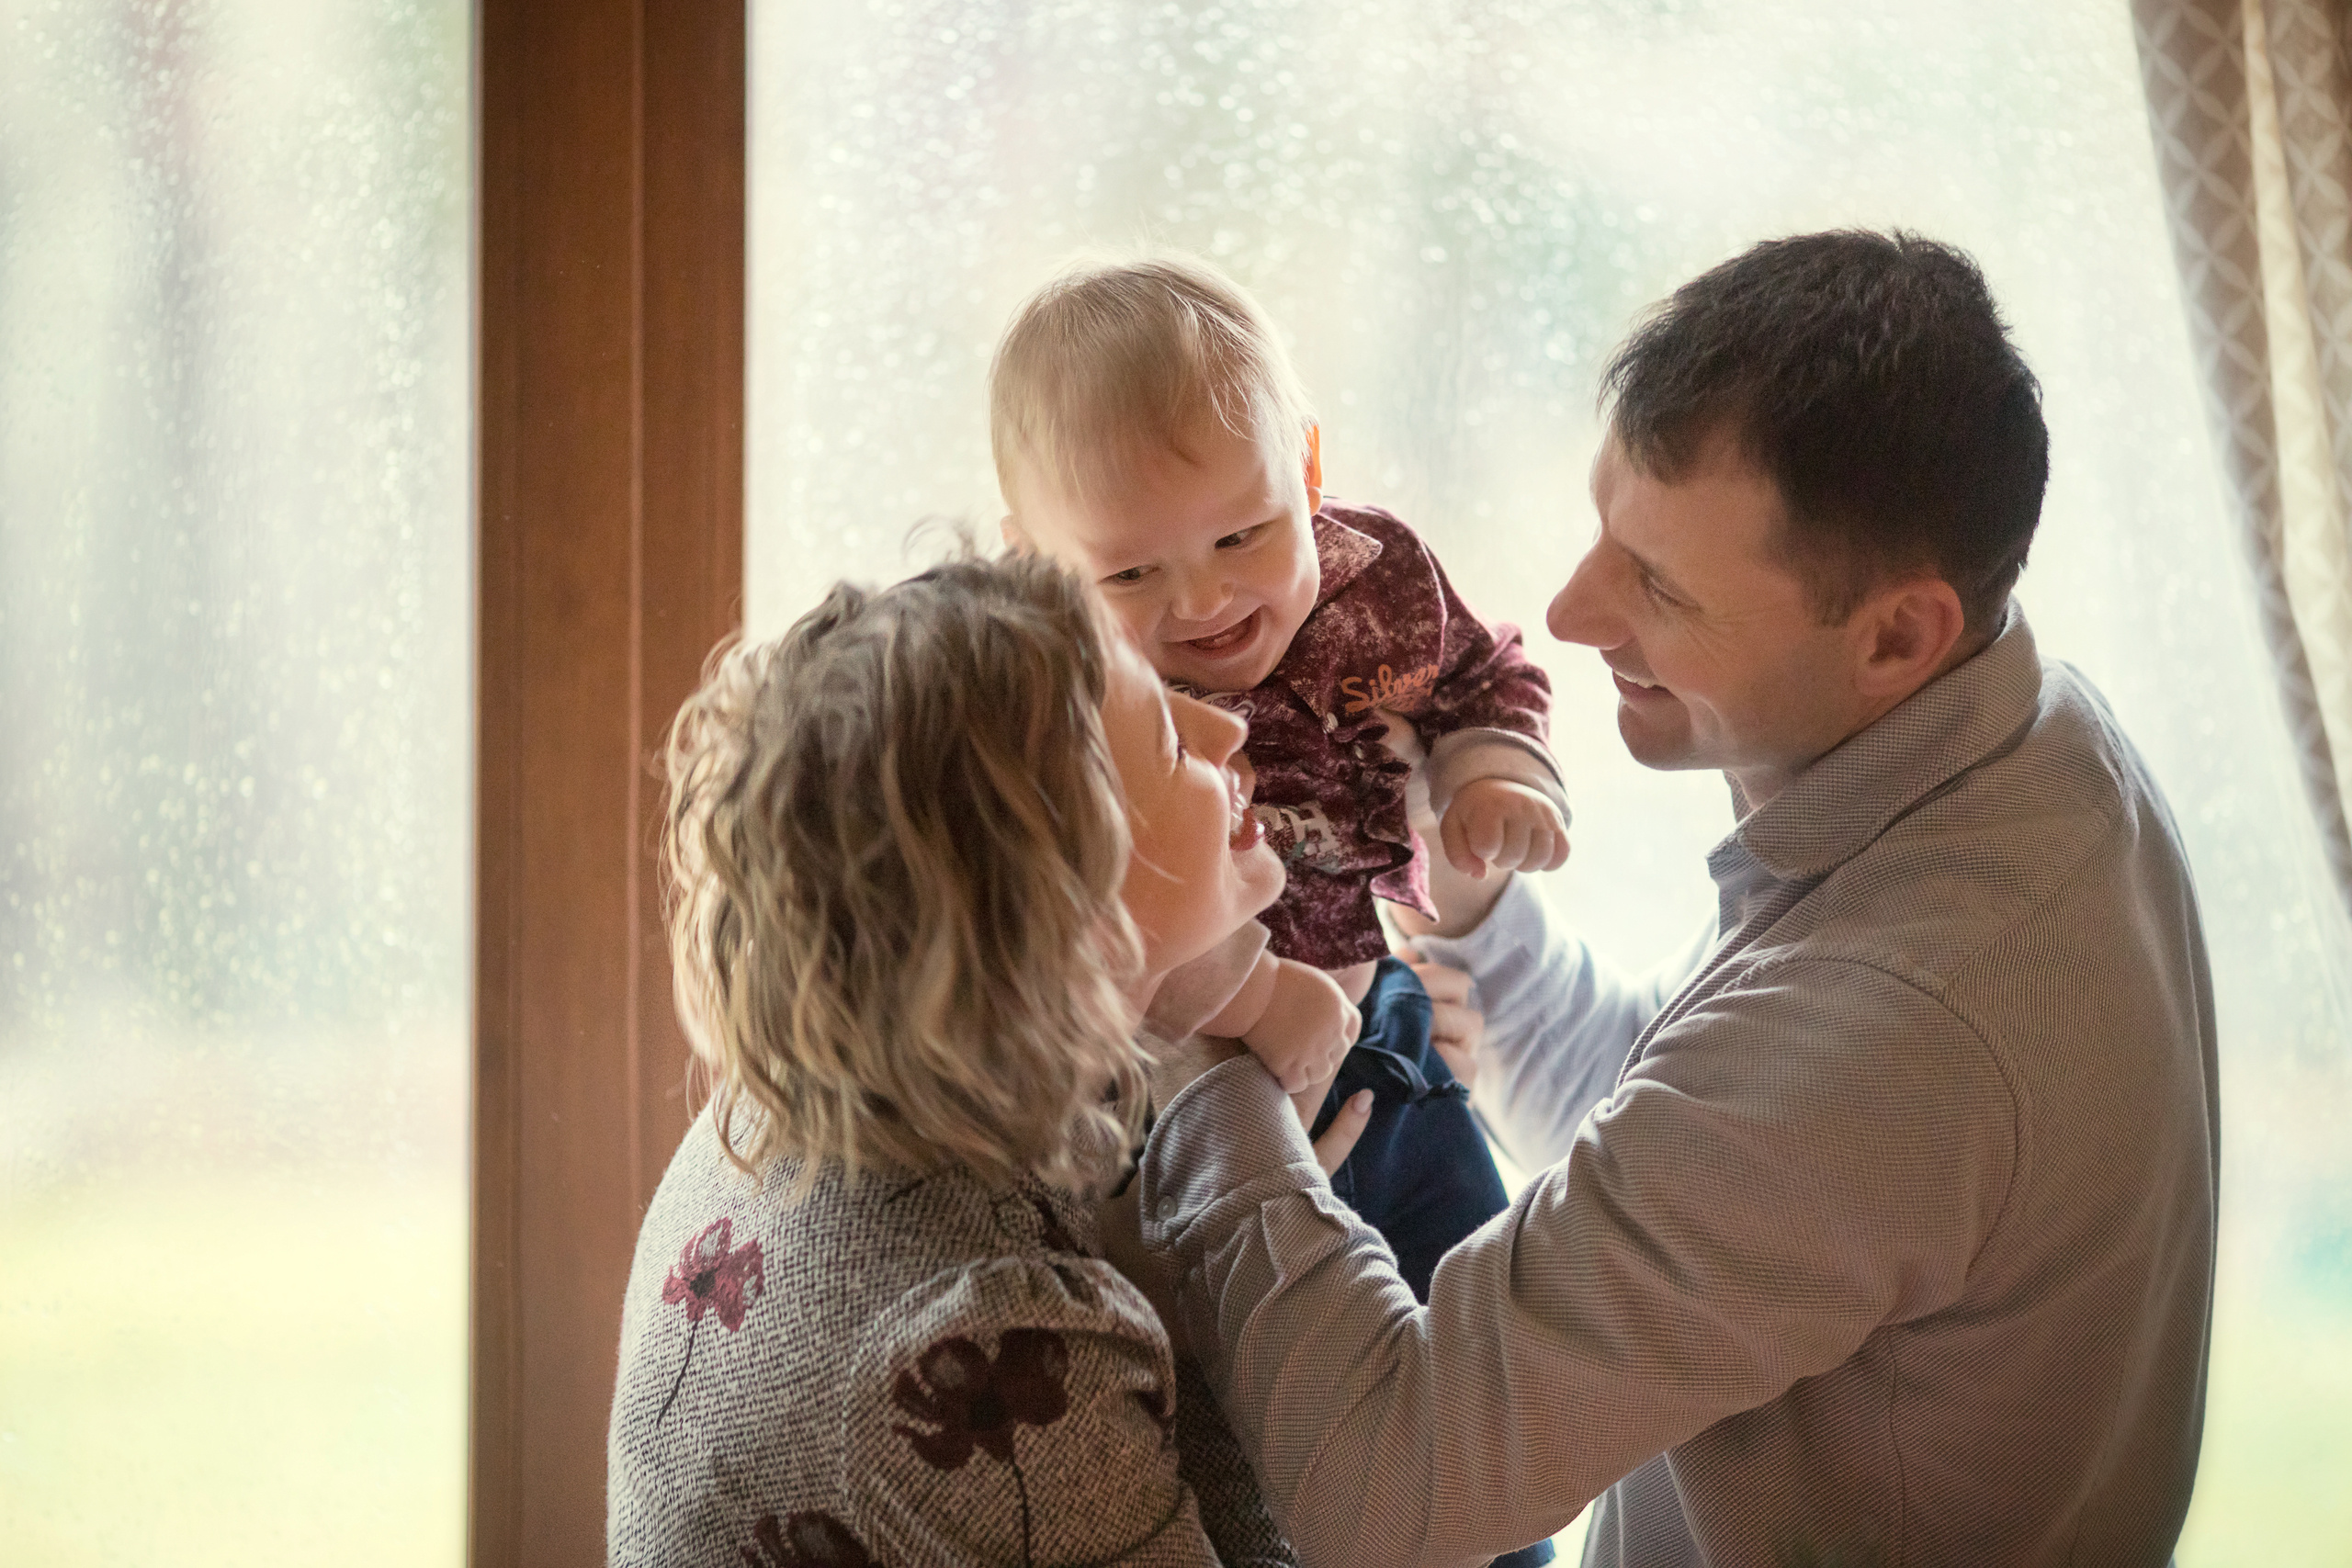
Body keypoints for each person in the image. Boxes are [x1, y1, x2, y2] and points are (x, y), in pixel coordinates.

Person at [1119, 231, 2222, 1566]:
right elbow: (1694, 1133)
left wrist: (1201, 1050)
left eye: (1658, 582)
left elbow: (1388, 1487)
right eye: (1605, 530)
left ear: (1896, 635)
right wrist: (1475, 914)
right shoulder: (2031, 747)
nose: (1568, 612)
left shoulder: (1893, 1019)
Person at [605, 550, 1354, 1566]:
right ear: (1069, 919)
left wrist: (1168, 996)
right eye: (1172, 743)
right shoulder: (985, 1337)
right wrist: (1214, 1309)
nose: (1228, 729)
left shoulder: (776, 1105)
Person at [993, 265, 1572, 1476]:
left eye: (1243, 534)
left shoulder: (1377, 581)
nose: (1204, 597)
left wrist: (1492, 768)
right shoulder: (1044, 680)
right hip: (1180, 1082)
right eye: (1129, 573)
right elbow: (1055, 924)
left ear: (1306, 471)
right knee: (1279, 1407)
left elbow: (1484, 673)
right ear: (1034, 564)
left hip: (1383, 1022)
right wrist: (1253, 1003)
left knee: (1485, 1317)